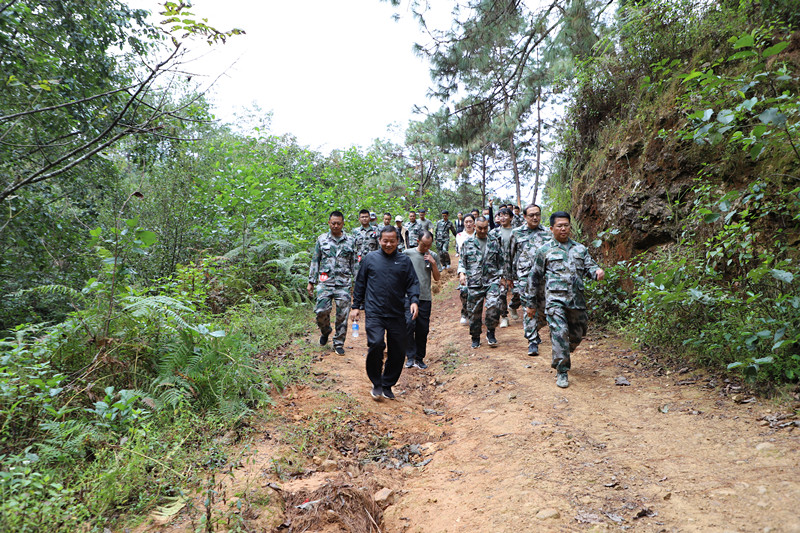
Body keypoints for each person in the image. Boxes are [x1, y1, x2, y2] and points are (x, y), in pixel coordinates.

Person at [528, 211, 605, 388]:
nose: (563, 229)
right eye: (559, 226)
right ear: (551, 228)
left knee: (578, 334)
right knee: (560, 332)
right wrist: (531, 304)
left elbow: (590, 267)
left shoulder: (580, 249)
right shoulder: (544, 251)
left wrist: (597, 272)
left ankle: (562, 350)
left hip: (577, 301)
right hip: (555, 301)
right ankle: (562, 371)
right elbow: (534, 277)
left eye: (566, 225)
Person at [350, 226, 420, 400]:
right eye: (385, 241)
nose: (388, 244)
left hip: (397, 312)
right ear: (379, 241)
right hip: (375, 311)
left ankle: (387, 383)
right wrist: (355, 306)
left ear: (398, 241)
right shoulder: (370, 259)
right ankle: (377, 383)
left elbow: (412, 283)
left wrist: (414, 301)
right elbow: (360, 283)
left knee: (398, 350)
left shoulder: (404, 261)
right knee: (376, 344)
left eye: (392, 241)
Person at [307, 210, 357, 355]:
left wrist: (358, 283)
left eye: (338, 223)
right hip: (325, 282)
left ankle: (338, 342)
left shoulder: (351, 240)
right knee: (321, 311)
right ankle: (326, 330)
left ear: (343, 224)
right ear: (329, 223)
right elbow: (315, 260)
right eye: (333, 223)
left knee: (342, 315)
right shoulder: (321, 239)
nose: (335, 226)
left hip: (344, 283)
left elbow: (354, 263)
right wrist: (311, 281)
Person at [510, 204, 552, 356]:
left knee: (543, 309)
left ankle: (535, 329)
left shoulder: (548, 232)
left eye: (537, 214)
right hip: (524, 278)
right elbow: (509, 255)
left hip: (544, 277)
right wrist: (508, 277)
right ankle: (532, 341)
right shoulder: (516, 233)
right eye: (531, 215)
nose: (535, 218)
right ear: (524, 217)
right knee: (529, 307)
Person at [458, 216, 503, 348]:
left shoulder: (494, 241)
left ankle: (491, 332)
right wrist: (462, 273)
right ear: (475, 227)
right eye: (480, 228)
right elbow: (462, 261)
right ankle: (475, 336)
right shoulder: (468, 243)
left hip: (492, 280)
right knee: (474, 312)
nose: (483, 231)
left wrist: (503, 278)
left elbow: (501, 262)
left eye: (485, 228)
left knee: (494, 306)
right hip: (474, 281)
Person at [404, 230, 440, 369]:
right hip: (408, 296)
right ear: (418, 241)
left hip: (425, 297)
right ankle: (410, 357)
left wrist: (433, 263)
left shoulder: (433, 256)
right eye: (424, 245)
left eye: (429, 245)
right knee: (408, 324)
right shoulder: (407, 253)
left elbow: (437, 278)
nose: (426, 248)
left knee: (422, 329)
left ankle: (419, 358)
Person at [489, 207, 515, 329]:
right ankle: (504, 317)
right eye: (500, 215)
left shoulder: (517, 232)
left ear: (511, 217)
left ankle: (514, 306)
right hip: (500, 268)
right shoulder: (494, 233)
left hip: (516, 267)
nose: (502, 217)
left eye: (505, 215)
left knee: (520, 291)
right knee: (502, 293)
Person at [455, 214, 476, 325]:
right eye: (466, 222)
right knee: (464, 291)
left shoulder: (479, 234)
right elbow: (461, 253)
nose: (468, 224)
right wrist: (461, 272)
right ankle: (465, 312)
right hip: (465, 265)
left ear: (474, 223)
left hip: (478, 267)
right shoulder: (460, 235)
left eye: (470, 221)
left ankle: (475, 314)